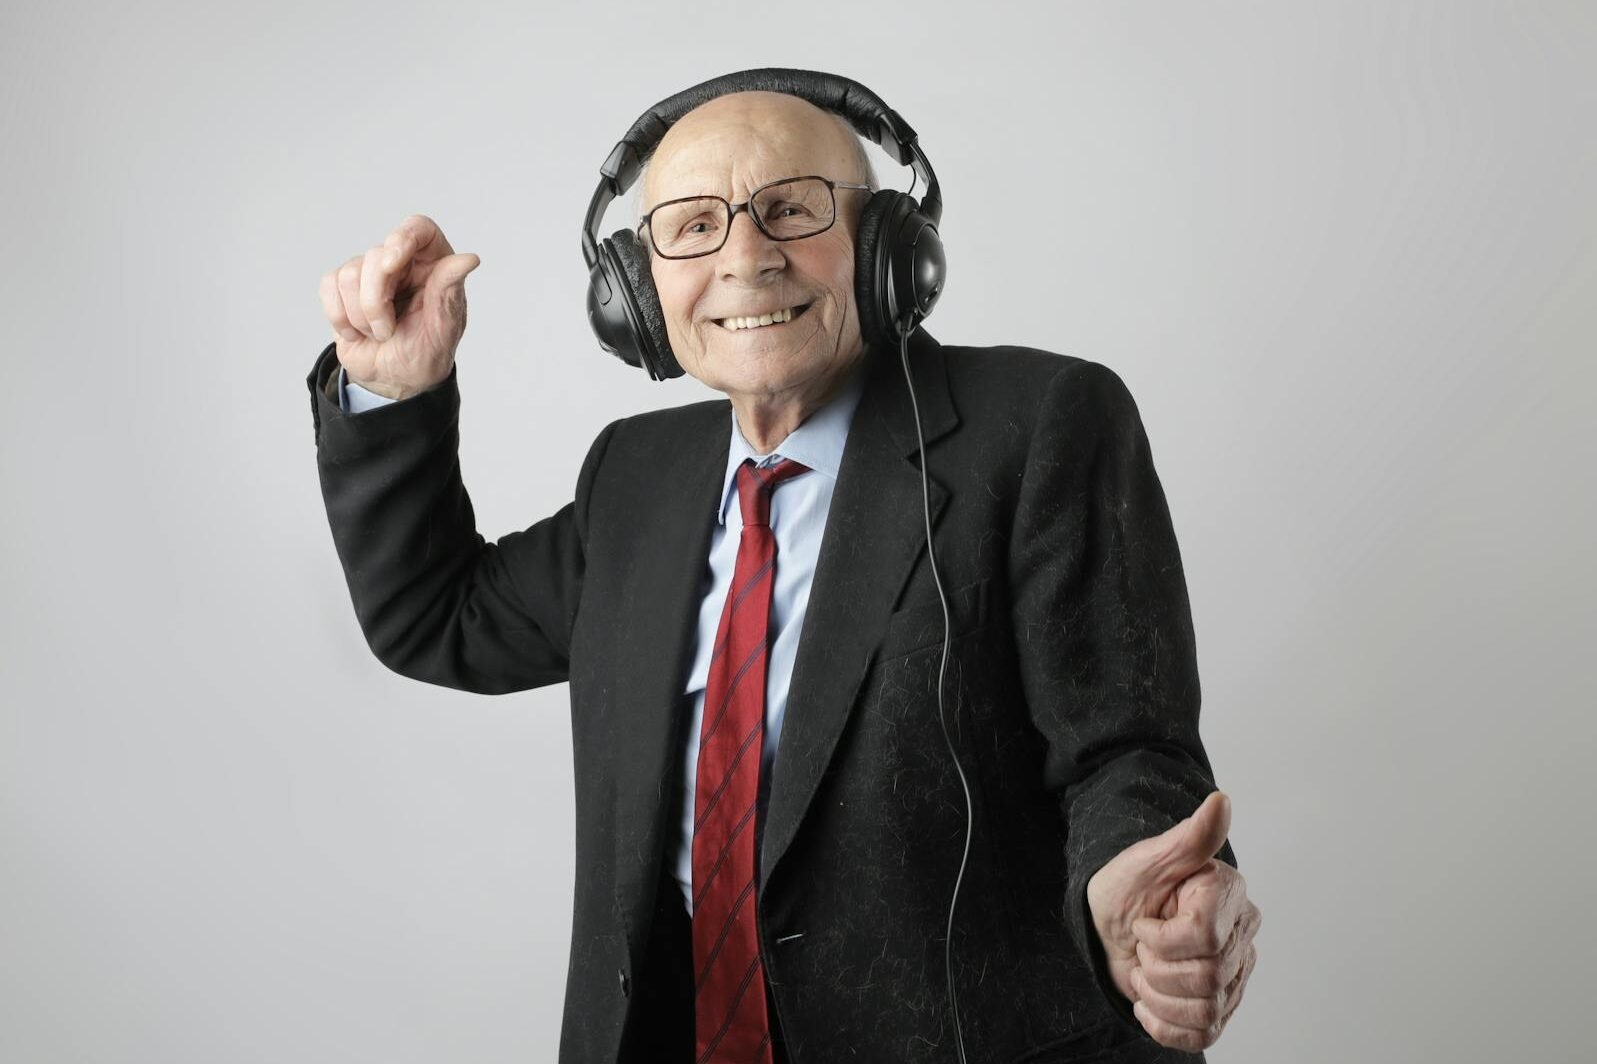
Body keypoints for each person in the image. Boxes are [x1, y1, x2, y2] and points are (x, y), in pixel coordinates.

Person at [306, 69, 1260, 1064]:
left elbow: (1121, 750)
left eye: (791, 209)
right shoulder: (634, 475)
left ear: (890, 247)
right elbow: (438, 616)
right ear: (633, 285)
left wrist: (1138, 892)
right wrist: (390, 391)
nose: (745, 258)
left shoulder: (1041, 424)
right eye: (691, 225)